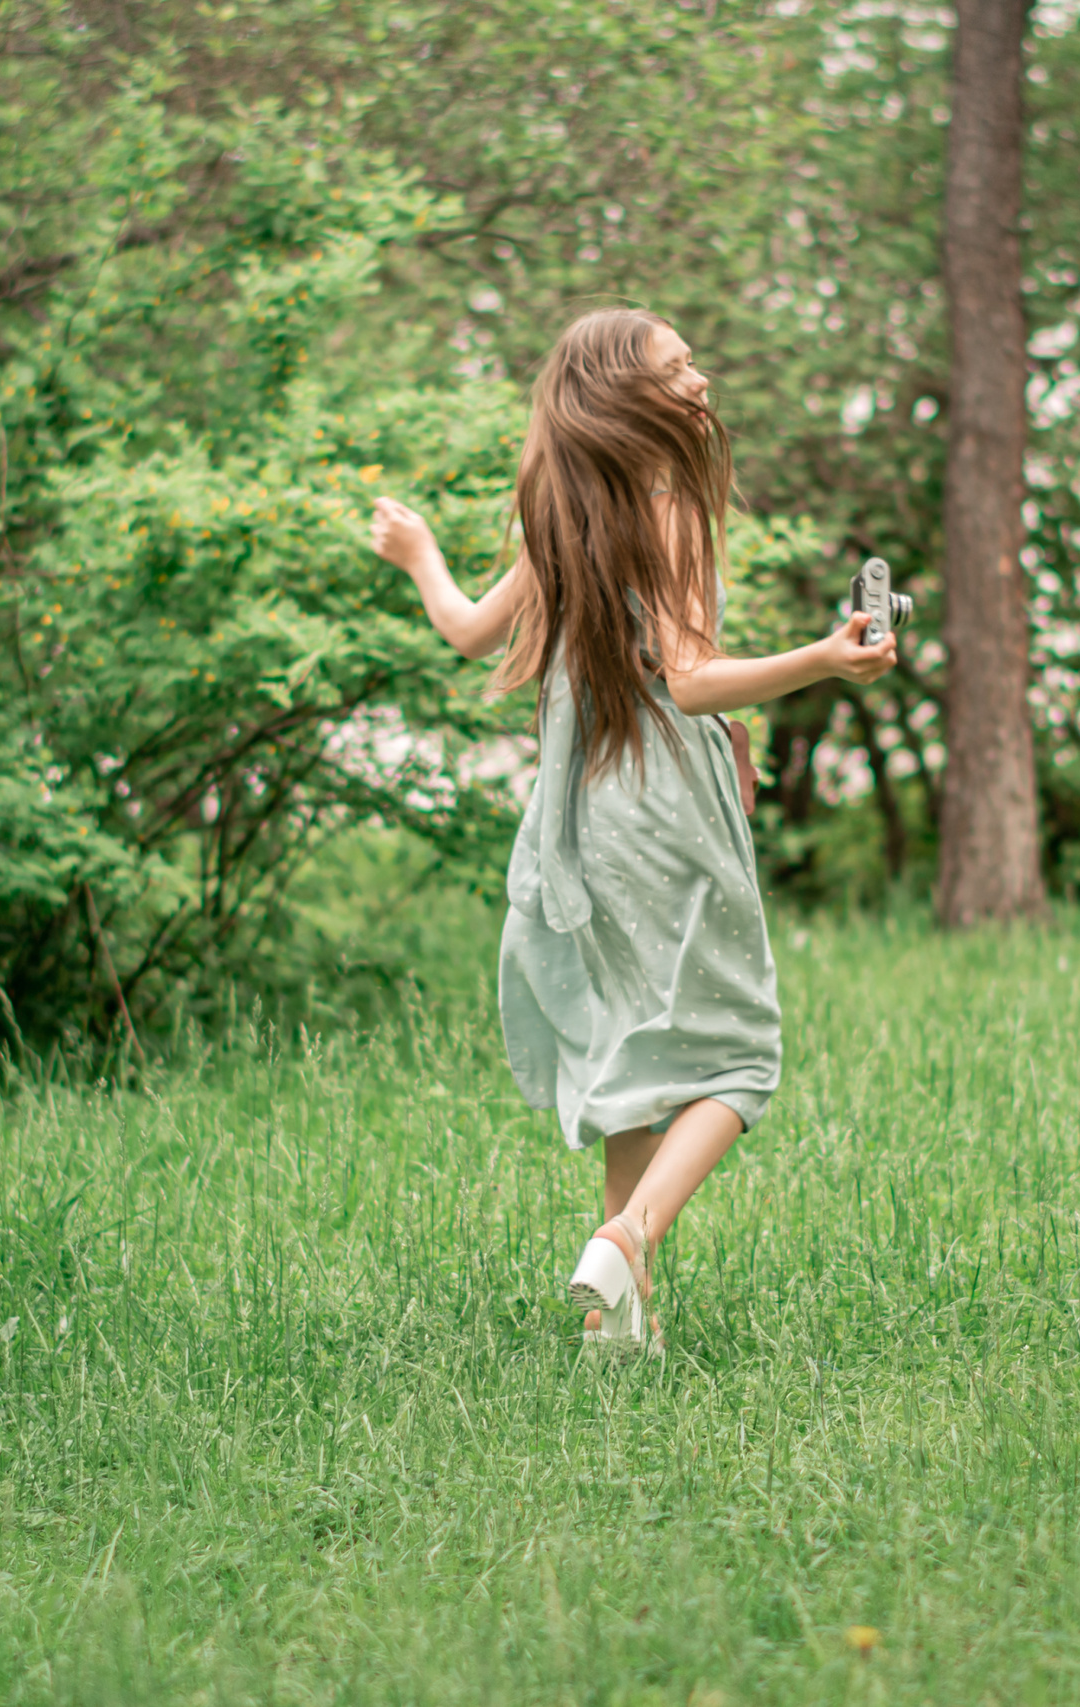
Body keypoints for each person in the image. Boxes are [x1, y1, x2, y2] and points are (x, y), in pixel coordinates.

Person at [368, 308, 897, 1353]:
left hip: (583, 813)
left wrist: (419, 554)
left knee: (634, 1047)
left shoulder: (563, 514)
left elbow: (471, 627)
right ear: (625, 395)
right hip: (664, 813)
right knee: (739, 1064)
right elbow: (690, 681)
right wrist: (823, 660)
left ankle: (623, 1311)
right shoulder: (669, 511)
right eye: (678, 366)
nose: (700, 378)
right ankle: (630, 1231)